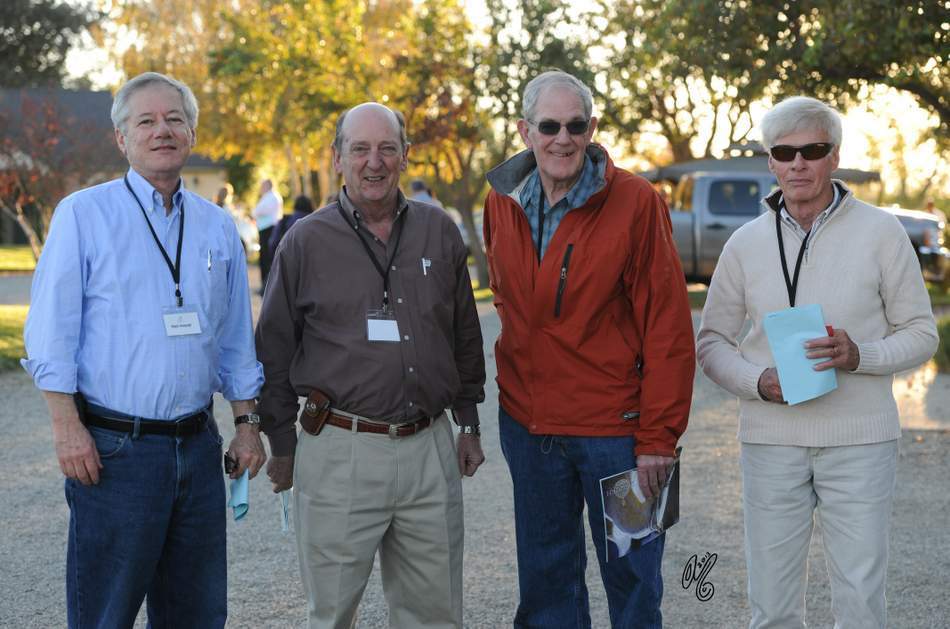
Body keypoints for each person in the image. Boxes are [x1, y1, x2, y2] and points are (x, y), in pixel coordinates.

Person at [21, 72, 266, 628]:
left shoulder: (216, 226)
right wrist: (66, 428)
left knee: (195, 616)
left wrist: (246, 425)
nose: (163, 131)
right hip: (115, 454)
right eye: (147, 121)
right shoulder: (83, 215)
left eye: (175, 119)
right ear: (121, 138)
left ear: (192, 134)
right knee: (104, 615)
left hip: (198, 449)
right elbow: (52, 332)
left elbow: (235, 339)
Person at [696, 96, 938, 628]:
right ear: (771, 162)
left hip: (861, 443)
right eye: (785, 152)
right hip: (770, 441)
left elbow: (922, 334)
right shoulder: (743, 243)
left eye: (813, 150)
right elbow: (711, 342)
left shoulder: (882, 232)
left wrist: (860, 355)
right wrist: (758, 381)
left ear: (835, 157)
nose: (799, 163)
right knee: (772, 606)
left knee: (860, 603)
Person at [256, 102, 486, 629]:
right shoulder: (304, 242)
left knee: (435, 617)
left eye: (387, 148)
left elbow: (464, 335)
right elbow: (273, 351)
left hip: (429, 449)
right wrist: (283, 446)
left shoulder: (439, 231)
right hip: (341, 450)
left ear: (406, 156)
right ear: (338, 158)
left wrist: (469, 423)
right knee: (333, 616)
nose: (374, 162)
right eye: (359, 149)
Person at [482, 70, 695, 628]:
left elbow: (668, 327)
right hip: (530, 431)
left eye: (576, 126)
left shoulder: (638, 202)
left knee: (635, 585)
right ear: (525, 131)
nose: (563, 139)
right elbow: (506, 299)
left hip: (617, 435)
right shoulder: (500, 201)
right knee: (546, 589)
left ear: (592, 129)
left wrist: (659, 438)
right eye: (549, 126)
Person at [253, 177, 283, 290]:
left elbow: (258, 211)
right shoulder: (268, 197)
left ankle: (266, 286)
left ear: (268, 186)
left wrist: (255, 212)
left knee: (267, 258)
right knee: (264, 258)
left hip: (269, 230)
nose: (261, 188)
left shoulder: (272, 197)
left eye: (263, 186)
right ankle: (264, 285)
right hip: (265, 229)